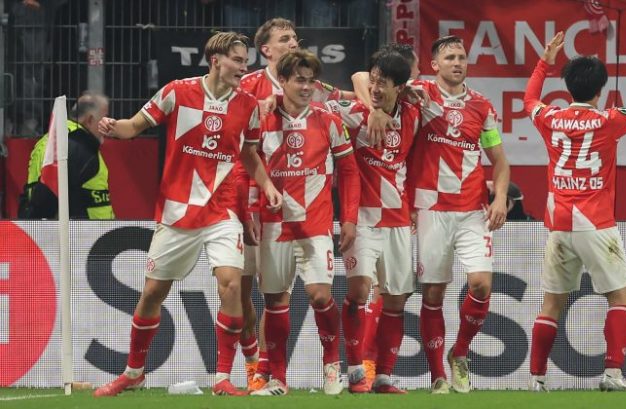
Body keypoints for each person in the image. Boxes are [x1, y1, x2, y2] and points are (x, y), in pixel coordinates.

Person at [92, 31, 282, 397]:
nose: (243, 68)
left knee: (231, 283)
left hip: (221, 209)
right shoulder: (177, 92)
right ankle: (133, 372)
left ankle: (222, 378)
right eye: (237, 60)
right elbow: (135, 125)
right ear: (216, 60)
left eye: (245, 62)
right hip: (177, 210)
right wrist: (115, 128)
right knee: (153, 293)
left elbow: (249, 155)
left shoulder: (248, 105)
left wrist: (268, 184)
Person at [523, 32, 626, 392]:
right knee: (620, 297)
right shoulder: (609, 120)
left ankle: (536, 380)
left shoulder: (550, 118)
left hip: (559, 224)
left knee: (551, 303)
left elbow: (529, 100)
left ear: (568, 86)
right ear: (600, 89)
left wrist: (544, 62)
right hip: (596, 222)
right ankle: (612, 375)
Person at [238, 17, 354, 391]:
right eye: (298, 80)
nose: (305, 87)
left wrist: (349, 219)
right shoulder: (260, 115)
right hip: (272, 223)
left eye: (310, 81)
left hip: (316, 223)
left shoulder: (328, 118)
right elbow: (245, 159)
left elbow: (349, 170)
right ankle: (276, 376)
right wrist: (248, 208)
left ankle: (332, 364)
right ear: (282, 81)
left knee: (321, 295)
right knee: (271, 301)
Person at [403, 35, 511, 394]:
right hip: (430, 207)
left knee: (481, 284)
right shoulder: (419, 93)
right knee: (433, 293)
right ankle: (437, 375)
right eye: (449, 57)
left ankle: (460, 352)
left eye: (461, 57)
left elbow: (499, 161)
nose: (457, 63)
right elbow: (369, 81)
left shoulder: (481, 106)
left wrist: (500, 198)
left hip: (472, 208)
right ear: (434, 65)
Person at [326, 50, 418, 394]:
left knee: (396, 300)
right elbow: (357, 78)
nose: (376, 87)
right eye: (375, 80)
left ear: (400, 88)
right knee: (360, 290)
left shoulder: (415, 112)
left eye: (385, 83)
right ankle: (354, 373)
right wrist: (373, 108)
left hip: (397, 219)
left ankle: (383, 376)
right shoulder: (354, 113)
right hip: (361, 217)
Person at [17, 92, 114, 220]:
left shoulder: (47, 140)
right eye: (104, 118)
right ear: (90, 119)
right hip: (83, 230)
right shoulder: (81, 145)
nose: (109, 124)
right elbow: (50, 194)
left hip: (37, 226)